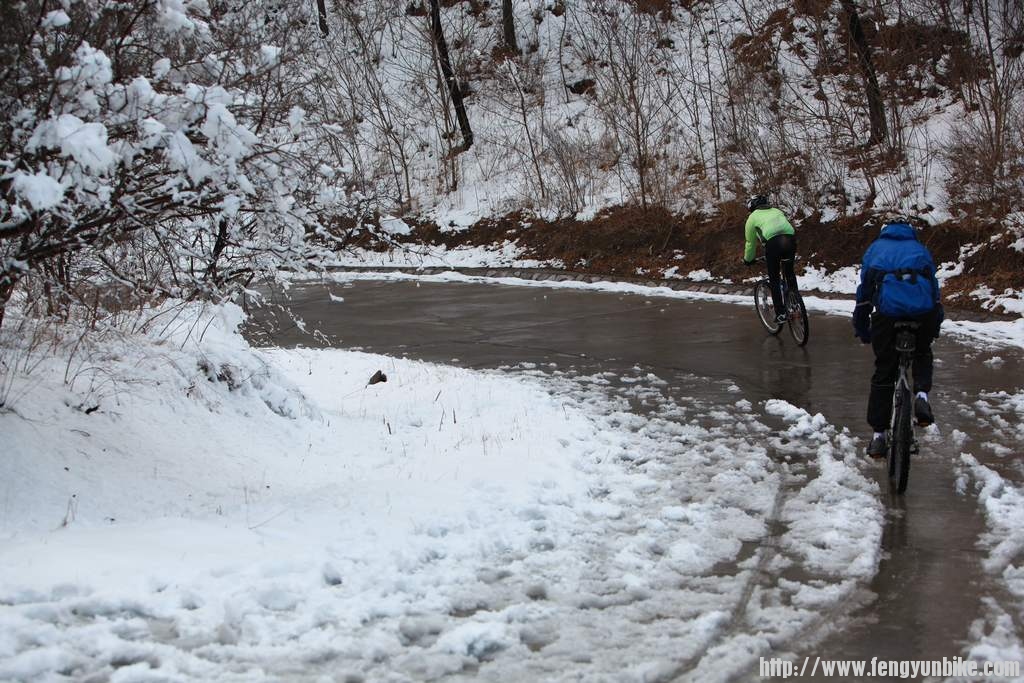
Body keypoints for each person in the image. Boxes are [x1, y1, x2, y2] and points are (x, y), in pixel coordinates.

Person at [852, 218, 944, 458]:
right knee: (922, 351)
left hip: (888, 315)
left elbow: (864, 293)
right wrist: (934, 326)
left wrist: (862, 327)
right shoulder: (920, 250)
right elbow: (934, 292)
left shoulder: (875, 250)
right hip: (922, 313)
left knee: (884, 370)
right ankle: (921, 396)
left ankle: (878, 437)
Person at [742, 194, 798, 323]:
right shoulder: (777, 211)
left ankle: (781, 313)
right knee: (789, 273)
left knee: (774, 278)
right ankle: (795, 303)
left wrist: (748, 259)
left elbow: (750, 243)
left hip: (773, 244)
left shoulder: (752, 218)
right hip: (790, 240)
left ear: (752, 207)